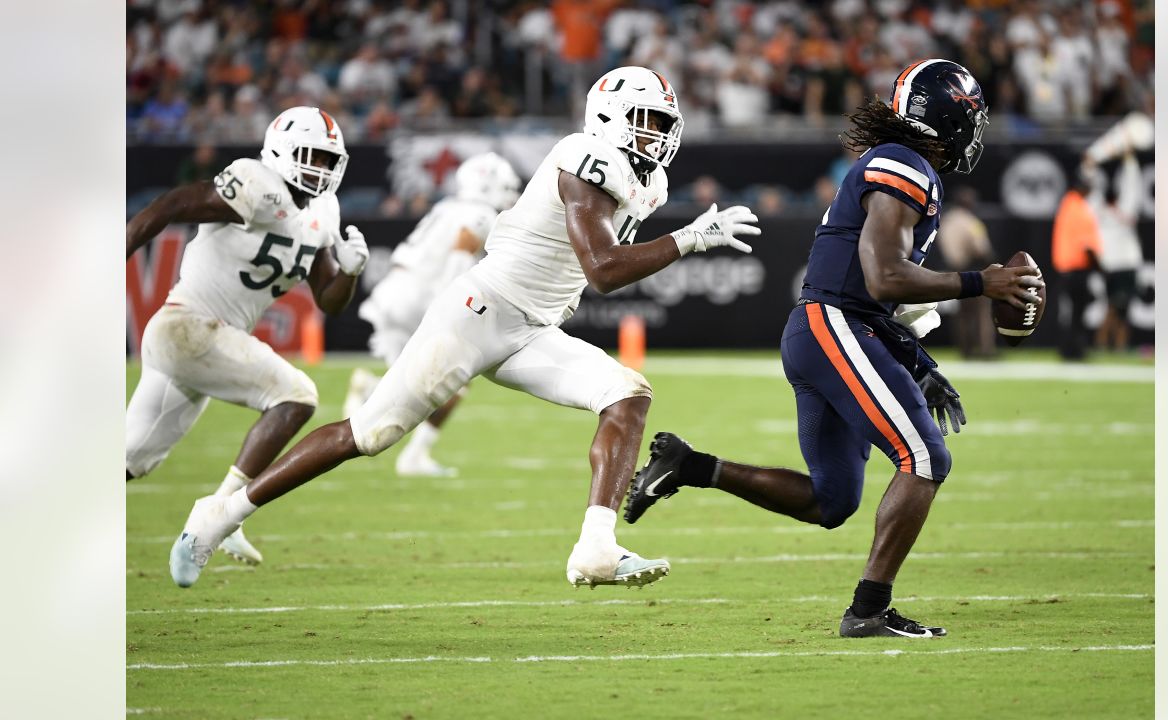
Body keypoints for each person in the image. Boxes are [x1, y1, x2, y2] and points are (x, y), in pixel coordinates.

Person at [168, 66, 761, 590]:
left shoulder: (646, 180)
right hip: (481, 311)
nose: (658, 134)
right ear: (606, 119)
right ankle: (219, 514)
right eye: (645, 119)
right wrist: (688, 240)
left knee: (627, 394)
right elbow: (603, 270)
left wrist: (682, 238)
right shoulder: (585, 156)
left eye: (664, 122)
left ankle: (595, 549)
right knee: (368, 434)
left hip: (532, 328)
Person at [625, 60, 1042, 638]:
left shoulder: (904, 164)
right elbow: (884, 280)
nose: (976, 131)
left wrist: (920, 364)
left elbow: (872, 291)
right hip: (835, 326)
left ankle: (693, 466)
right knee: (925, 457)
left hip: (828, 329)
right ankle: (869, 610)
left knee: (832, 500)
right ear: (946, 117)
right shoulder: (904, 164)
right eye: (971, 118)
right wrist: (981, 282)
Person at [126, 106, 368, 567]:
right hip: (189, 326)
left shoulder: (323, 211)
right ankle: (223, 514)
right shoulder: (257, 183)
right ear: (281, 149)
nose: (318, 169)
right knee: (296, 395)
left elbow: (329, 299)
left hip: (203, 340)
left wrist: (352, 272)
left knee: (131, 460)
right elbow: (172, 205)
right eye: (310, 156)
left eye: (326, 161)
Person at [344, 152, 523, 476]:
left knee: (422, 381)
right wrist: (453, 305)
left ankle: (373, 391)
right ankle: (412, 453)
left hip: (394, 291)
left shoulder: (447, 206)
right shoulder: (480, 213)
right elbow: (459, 253)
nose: (511, 194)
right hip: (420, 299)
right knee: (451, 381)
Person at [935, 185, 998, 359]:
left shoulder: (946, 221)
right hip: (973, 268)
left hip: (954, 270)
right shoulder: (971, 221)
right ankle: (986, 350)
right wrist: (990, 260)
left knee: (962, 314)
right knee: (982, 312)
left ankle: (966, 350)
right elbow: (981, 248)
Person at [1090, 151, 1143, 352]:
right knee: (1117, 308)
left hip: (1114, 266)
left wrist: (1091, 165)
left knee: (1117, 309)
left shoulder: (1101, 214)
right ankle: (1105, 344)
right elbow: (1132, 189)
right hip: (1124, 265)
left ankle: (1114, 345)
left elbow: (1096, 192)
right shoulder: (1122, 212)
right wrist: (1130, 161)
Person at [1051, 163, 1102, 361]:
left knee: (1072, 312)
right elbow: (1087, 244)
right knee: (1077, 312)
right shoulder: (1078, 208)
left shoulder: (1068, 204)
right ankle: (1074, 350)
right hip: (1077, 268)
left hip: (1068, 268)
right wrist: (1099, 266)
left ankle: (1069, 348)